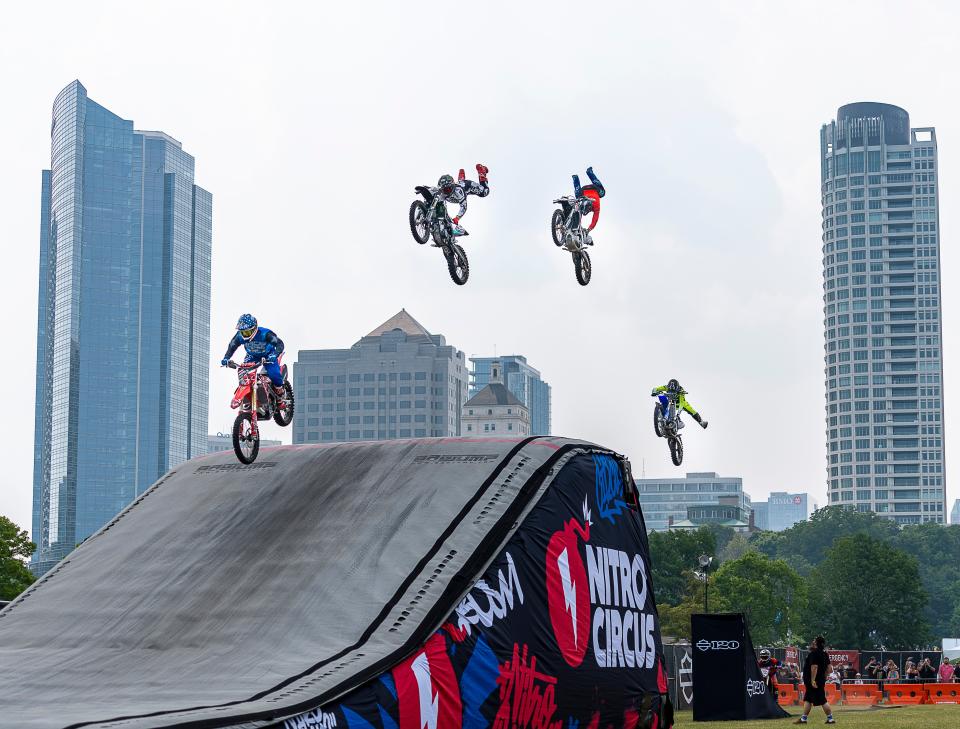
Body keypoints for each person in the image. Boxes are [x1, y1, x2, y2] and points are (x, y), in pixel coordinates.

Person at [221, 314, 287, 405]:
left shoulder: (265, 333)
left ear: (254, 328)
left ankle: (280, 392)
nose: (245, 335)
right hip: (252, 355)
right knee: (244, 374)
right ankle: (249, 394)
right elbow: (232, 346)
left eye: (247, 332)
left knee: (274, 373)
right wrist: (226, 358)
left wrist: (275, 355)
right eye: (243, 332)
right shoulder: (239, 336)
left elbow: (280, 344)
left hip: (268, 354)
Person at [433, 164, 490, 238]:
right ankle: (461, 177)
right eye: (444, 190)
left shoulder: (458, 191)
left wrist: (457, 218)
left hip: (469, 186)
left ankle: (482, 172)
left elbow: (464, 206)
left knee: (485, 192)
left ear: (452, 186)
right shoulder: (442, 192)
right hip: (460, 183)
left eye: (448, 189)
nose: (446, 192)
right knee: (460, 182)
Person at [796, 635, 835, 725]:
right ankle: (803, 719)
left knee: (822, 699)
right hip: (820, 680)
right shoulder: (825, 654)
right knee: (808, 699)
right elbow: (830, 669)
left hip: (813, 681)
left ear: (817, 643)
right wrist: (824, 677)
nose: (812, 643)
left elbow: (814, 667)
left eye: (814, 641)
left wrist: (813, 680)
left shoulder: (814, 653)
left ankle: (830, 719)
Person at [563, 166, 605, 244]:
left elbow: (578, 216)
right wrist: (589, 229)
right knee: (602, 193)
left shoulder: (584, 205)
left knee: (578, 200)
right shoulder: (596, 207)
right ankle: (579, 177)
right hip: (593, 189)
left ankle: (582, 176)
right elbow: (594, 220)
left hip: (584, 191)